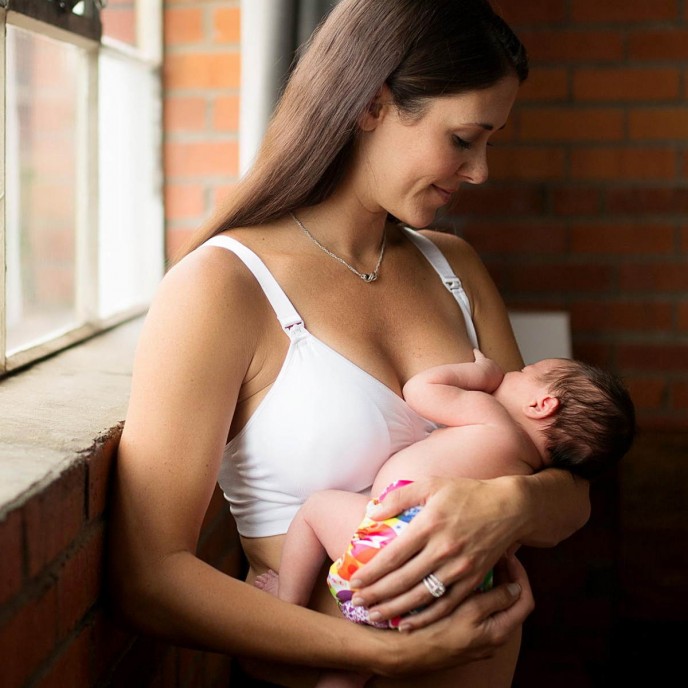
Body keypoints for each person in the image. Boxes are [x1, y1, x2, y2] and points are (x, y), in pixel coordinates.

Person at [107, 1, 594, 686]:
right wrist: (389, 654)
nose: (481, 170)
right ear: (372, 105)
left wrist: (506, 507)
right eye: (464, 139)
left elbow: (570, 492)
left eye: (490, 142)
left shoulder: (458, 270)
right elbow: (148, 578)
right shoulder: (223, 287)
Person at [255, 350, 635, 687]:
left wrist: (481, 373)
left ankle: (287, 603)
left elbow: (421, 389)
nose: (511, 372)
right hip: (451, 597)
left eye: (526, 371)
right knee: (359, 668)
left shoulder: (494, 420)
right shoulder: (528, 477)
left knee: (317, 507)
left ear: (541, 405)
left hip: (390, 545)